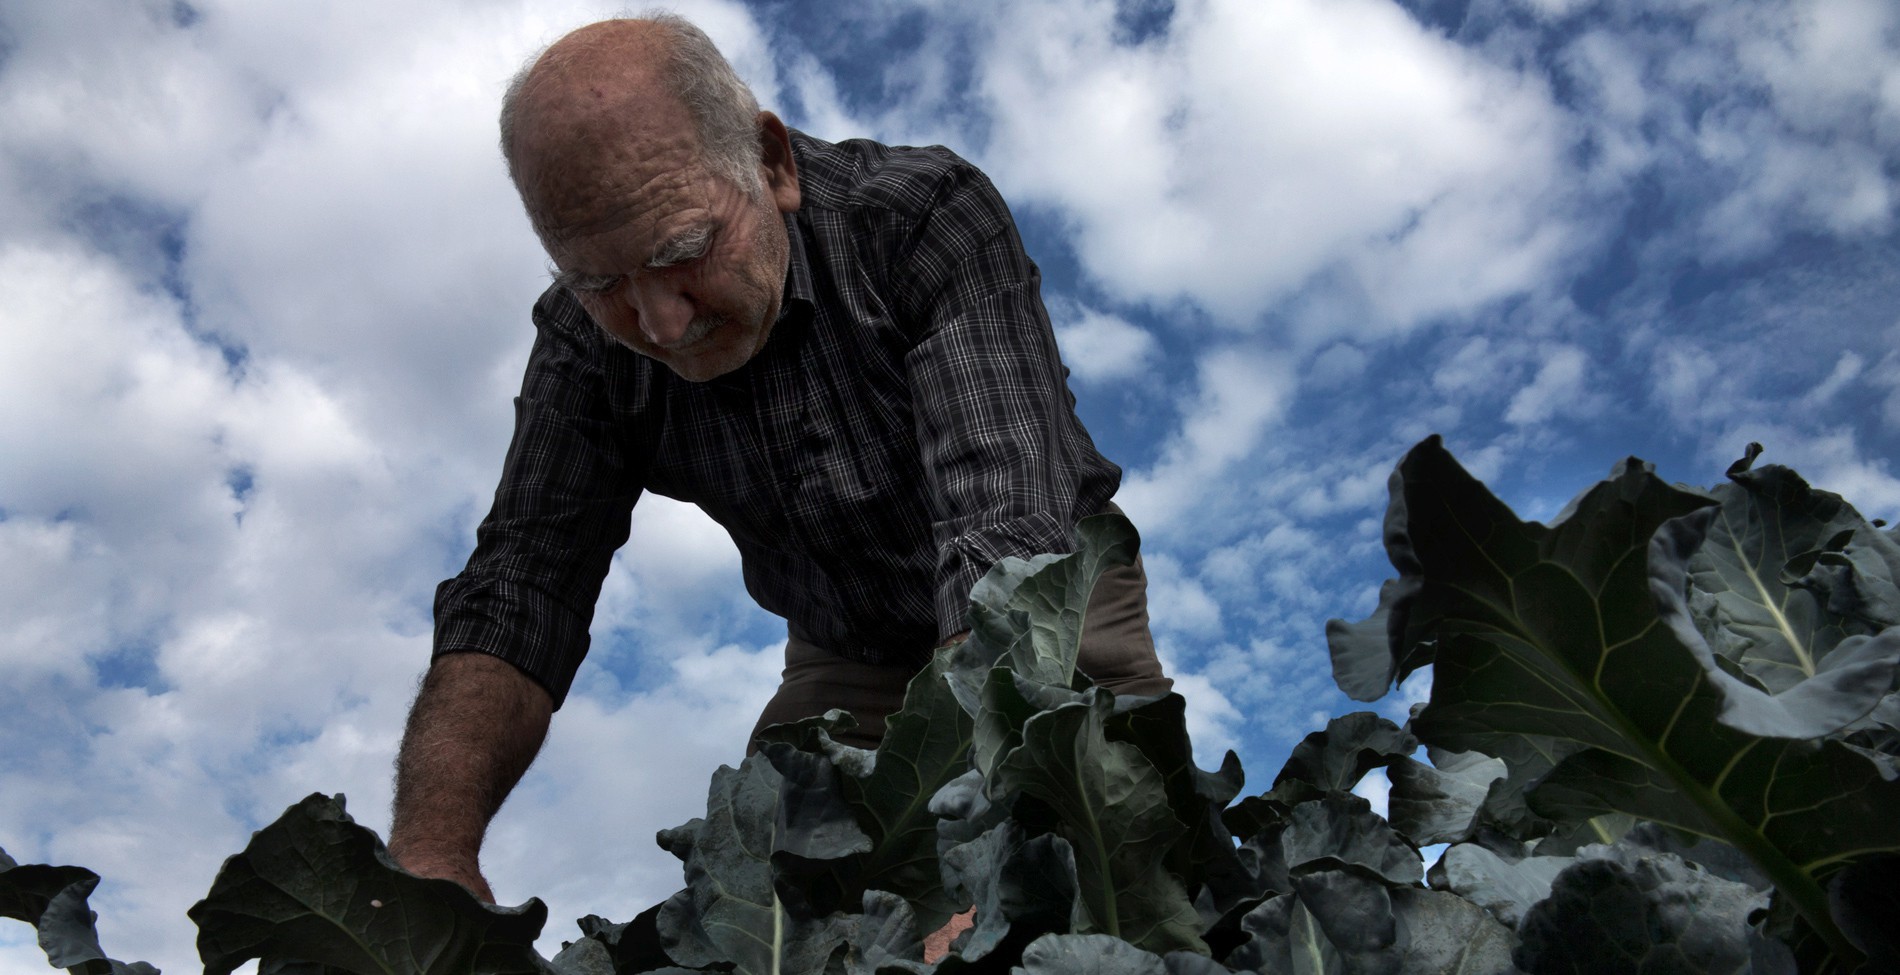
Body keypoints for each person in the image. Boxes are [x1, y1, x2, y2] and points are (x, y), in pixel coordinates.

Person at [387, 13, 1170, 903]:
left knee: (1103, 874)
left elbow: (1004, 535)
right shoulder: (585, 348)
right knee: (770, 907)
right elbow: (524, 582)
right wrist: (429, 861)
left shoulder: (920, 219)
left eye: (683, 252)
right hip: (845, 645)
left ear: (771, 164)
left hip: (1051, 595)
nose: (662, 323)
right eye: (600, 283)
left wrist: (985, 868)